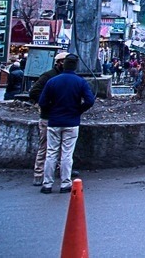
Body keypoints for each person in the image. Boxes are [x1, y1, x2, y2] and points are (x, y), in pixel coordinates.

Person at [37, 54, 95, 194]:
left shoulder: (53, 81)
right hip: (71, 121)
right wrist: (78, 110)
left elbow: (42, 102)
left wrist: (51, 110)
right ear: (75, 66)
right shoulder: (80, 82)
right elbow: (89, 100)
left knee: (51, 153)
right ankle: (65, 183)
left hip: (54, 121)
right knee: (67, 154)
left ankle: (47, 184)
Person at [28, 52, 67, 186]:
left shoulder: (64, 76)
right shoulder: (48, 76)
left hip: (61, 116)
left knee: (62, 147)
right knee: (45, 146)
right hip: (48, 116)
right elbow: (34, 92)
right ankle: (38, 174)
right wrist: (47, 104)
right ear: (59, 62)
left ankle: (60, 169)